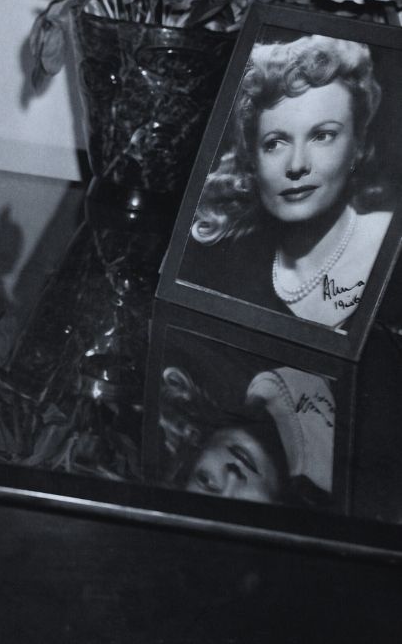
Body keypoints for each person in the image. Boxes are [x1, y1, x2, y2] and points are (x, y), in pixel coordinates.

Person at [187, 34, 396, 329]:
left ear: (358, 145)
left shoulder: (393, 248)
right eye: (274, 143)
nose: (297, 165)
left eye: (322, 136)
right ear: (252, 157)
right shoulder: (221, 266)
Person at [159, 362, 335, 506]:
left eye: (205, 480)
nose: (233, 476)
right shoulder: (332, 470)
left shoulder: (257, 379)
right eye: (240, 507)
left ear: (195, 448)